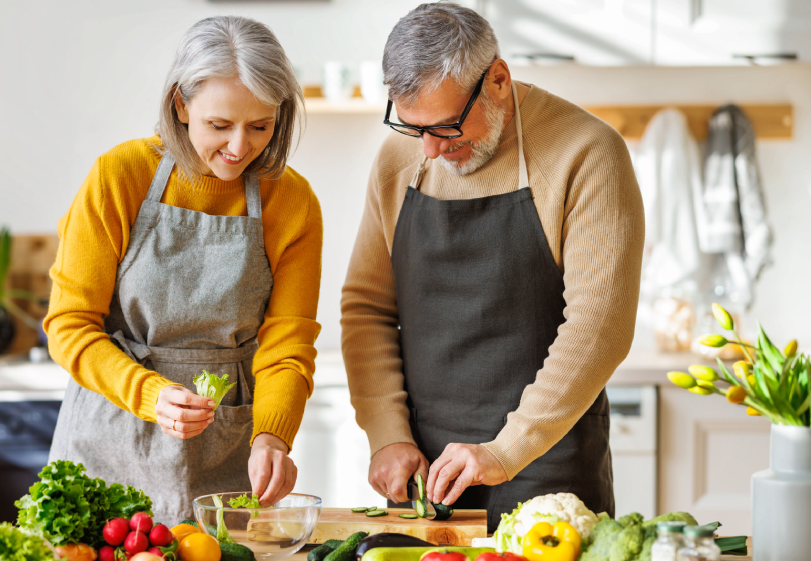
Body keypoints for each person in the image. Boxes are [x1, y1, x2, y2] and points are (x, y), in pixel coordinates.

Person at [341, 3, 645, 532]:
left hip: (550, 474)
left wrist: (506, 450)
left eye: (447, 127)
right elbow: (366, 307)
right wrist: (387, 435)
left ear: (498, 79)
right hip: (427, 483)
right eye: (415, 129)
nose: (432, 150)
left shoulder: (587, 153)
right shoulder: (400, 159)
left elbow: (601, 325)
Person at [46, 15, 322, 524]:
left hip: (226, 451)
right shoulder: (120, 176)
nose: (240, 147)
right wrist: (150, 393)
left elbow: (288, 343)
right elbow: (69, 327)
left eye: (260, 126)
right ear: (180, 104)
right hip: (113, 433)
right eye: (220, 125)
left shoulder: (293, 201)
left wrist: (272, 435)